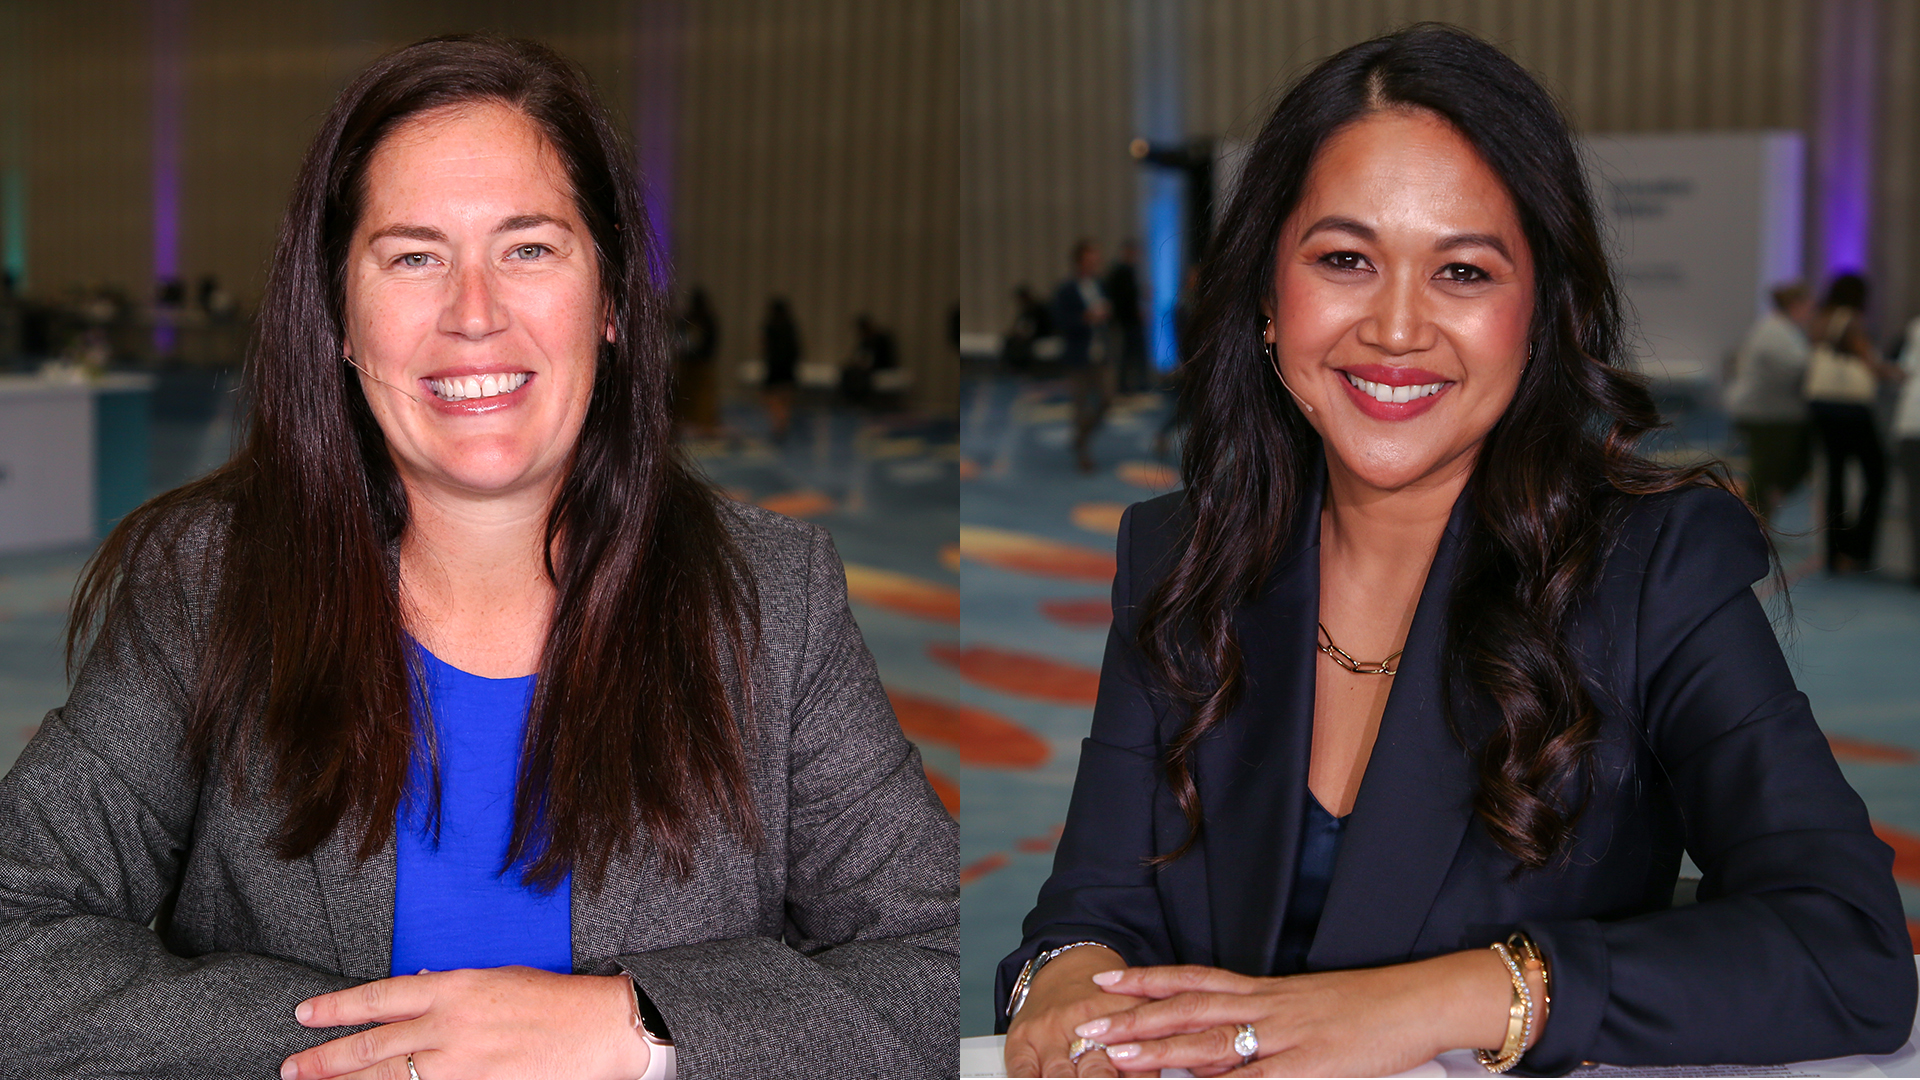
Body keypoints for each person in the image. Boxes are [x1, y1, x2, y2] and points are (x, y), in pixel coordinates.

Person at [0, 36, 957, 1080]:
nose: (473, 314)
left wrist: (636, 1032)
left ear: (609, 305)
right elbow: (19, 932)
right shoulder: (209, 582)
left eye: (529, 248)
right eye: (414, 255)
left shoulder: (772, 600)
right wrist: (387, 1049)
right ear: (340, 321)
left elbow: (930, 964)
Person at [997, 24, 1913, 1078]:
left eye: (1463, 272)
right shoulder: (1178, 554)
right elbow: (1087, 910)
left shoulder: (1653, 569)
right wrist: (1065, 983)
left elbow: (1849, 949)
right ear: (1264, 299)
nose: (1395, 327)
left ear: (1541, 315)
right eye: (1345, 259)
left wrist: (1442, 1000)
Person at [1804, 273, 1902, 573]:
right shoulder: (1850, 319)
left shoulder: (1821, 319)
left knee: (1835, 477)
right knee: (1877, 475)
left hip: (1822, 405)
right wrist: (1900, 373)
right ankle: (1859, 548)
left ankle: (1835, 552)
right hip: (1851, 408)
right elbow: (1869, 362)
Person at [1725, 283, 1815, 521]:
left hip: (1776, 413)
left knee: (1778, 472)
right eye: (1808, 307)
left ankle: (1759, 518)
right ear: (1795, 305)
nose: (1811, 313)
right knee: (1764, 475)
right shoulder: (1775, 332)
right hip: (1766, 415)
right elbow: (1798, 368)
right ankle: (1752, 525)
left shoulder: (1785, 330)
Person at [1053, 239, 1113, 473]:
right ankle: (1083, 452)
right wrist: (1085, 318)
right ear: (1079, 262)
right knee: (1080, 404)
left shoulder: (1100, 285)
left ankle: (1081, 435)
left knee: (1107, 399)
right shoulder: (1066, 289)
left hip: (1101, 353)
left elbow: (1108, 313)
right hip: (1079, 356)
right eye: (1090, 261)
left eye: (1096, 261)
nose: (1094, 265)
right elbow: (1060, 321)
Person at [1894, 314, 1920, 587]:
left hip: (1910, 426)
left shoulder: (1915, 326)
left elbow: (1904, 370)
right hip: (1912, 424)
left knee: (1916, 501)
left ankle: (1918, 569)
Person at [673, 286, 719, 436]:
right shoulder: (698, 319)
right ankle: (695, 425)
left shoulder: (702, 319)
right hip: (693, 364)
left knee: (699, 398)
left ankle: (701, 426)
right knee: (692, 397)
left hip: (698, 364)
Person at [760, 297, 801, 441]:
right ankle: (782, 425)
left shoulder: (771, 326)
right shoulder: (790, 327)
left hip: (775, 368)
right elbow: (797, 350)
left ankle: (779, 426)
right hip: (787, 369)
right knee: (785, 401)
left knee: (774, 400)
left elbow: (765, 347)